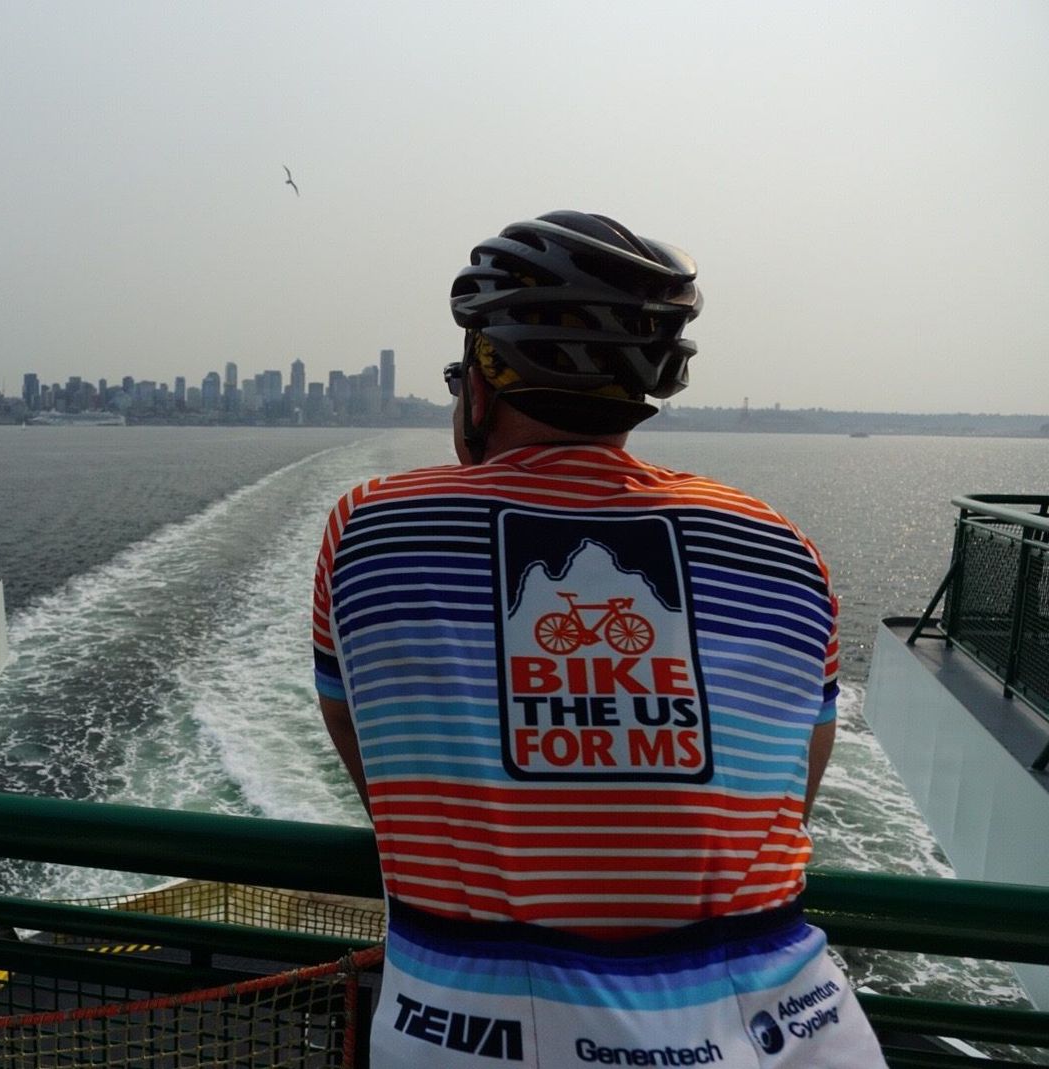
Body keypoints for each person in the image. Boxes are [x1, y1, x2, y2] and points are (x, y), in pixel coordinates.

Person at [312, 211, 886, 1067]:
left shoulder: (370, 529)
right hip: (795, 1031)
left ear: (480, 387)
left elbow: (369, 753)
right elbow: (791, 786)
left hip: (477, 1034)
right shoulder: (782, 546)